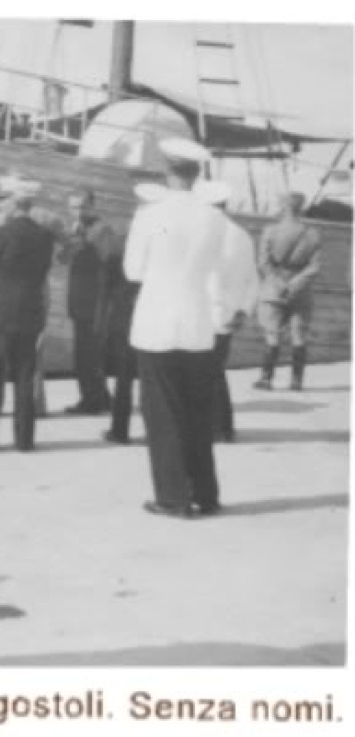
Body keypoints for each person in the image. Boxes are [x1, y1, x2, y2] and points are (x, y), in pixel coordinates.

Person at [124, 138, 227, 519]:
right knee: (198, 413)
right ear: (197, 174)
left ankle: (172, 498)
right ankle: (205, 494)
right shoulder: (213, 217)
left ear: (167, 171)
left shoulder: (150, 214)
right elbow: (214, 269)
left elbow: (133, 271)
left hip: (157, 323)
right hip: (198, 323)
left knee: (163, 414)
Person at [0, 176, 54, 452]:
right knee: (25, 377)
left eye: (2, 198)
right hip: (30, 313)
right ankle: (24, 439)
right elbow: (42, 273)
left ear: (15, 202)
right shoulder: (45, 237)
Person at [198, 180, 260, 442]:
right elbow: (252, 279)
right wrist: (243, 310)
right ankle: (224, 426)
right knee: (215, 370)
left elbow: (209, 276)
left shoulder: (203, 232)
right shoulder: (242, 235)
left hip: (203, 312)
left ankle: (214, 428)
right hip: (228, 315)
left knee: (204, 373)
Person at [101, 183, 160, 444]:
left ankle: (119, 430)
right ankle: (154, 430)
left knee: (124, 377)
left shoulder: (120, 241)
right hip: (153, 314)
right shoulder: (164, 241)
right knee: (152, 377)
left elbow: (107, 282)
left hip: (125, 315)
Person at [253, 191, 322, 391]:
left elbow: (263, 263)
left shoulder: (270, 231)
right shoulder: (313, 233)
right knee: (299, 336)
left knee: (272, 335)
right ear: (302, 208)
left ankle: (266, 379)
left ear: (284, 207)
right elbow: (315, 266)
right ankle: (296, 381)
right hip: (301, 292)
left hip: (273, 290)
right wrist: (296, 282)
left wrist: (278, 282)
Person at [61, 190, 116, 415]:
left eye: (82, 206)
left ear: (93, 206)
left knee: (90, 354)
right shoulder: (74, 229)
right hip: (79, 300)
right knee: (83, 354)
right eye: (73, 207)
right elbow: (62, 259)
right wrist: (70, 242)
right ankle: (97, 397)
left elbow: (110, 261)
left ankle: (94, 400)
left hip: (95, 301)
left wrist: (85, 243)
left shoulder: (102, 230)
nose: (78, 212)